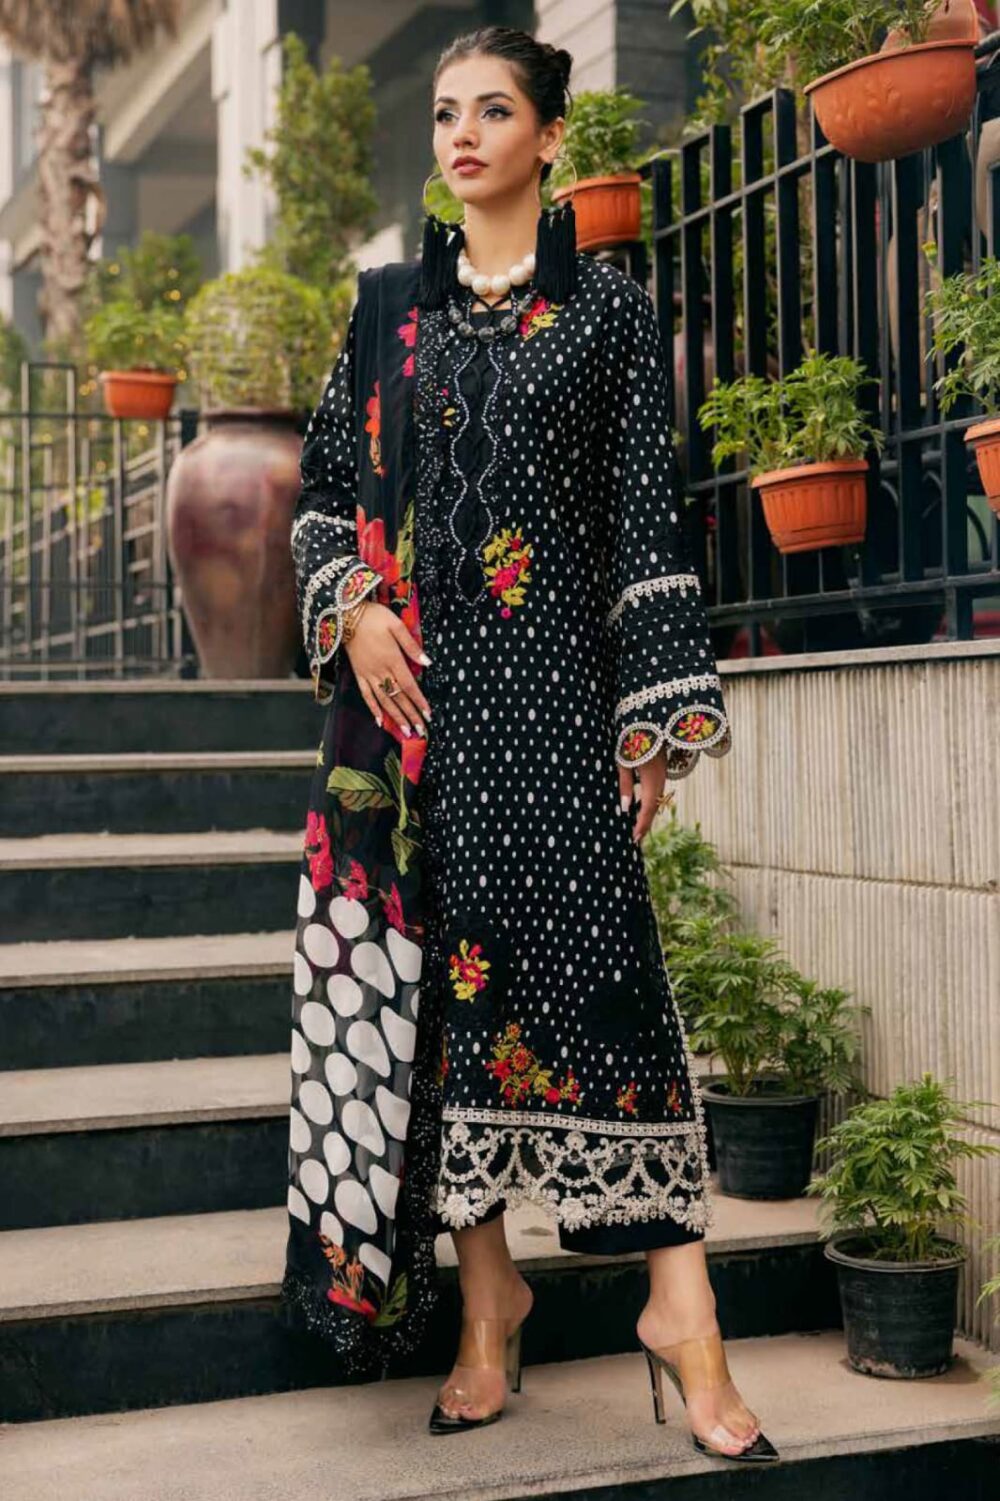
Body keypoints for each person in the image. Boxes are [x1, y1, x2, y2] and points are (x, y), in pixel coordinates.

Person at [281, 23, 777, 1465]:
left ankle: (681, 1310)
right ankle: (488, 1307)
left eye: (493, 111)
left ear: (551, 137)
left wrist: (652, 722)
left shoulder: (609, 313)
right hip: (420, 722)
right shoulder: (391, 314)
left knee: (610, 988)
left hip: (558, 711)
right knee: (450, 1008)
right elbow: (322, 494)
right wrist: (357, 611)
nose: (462, 134)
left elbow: (643, 519)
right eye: (446, 112)